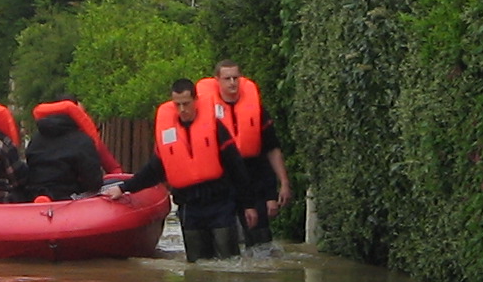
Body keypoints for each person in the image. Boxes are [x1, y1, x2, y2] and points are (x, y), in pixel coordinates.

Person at [110, 78, 260, 262]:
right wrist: (123, 187)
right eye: (177, 105)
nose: (182, 110)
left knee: (228, 262)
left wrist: (248, 205)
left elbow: (237, 167)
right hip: (190, 208)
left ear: (196, 100)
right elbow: (153, 170)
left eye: (186, 104)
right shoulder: (167, 133)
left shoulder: (216, 128)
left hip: (220, 204)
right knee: (197, 266)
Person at [197, 61, 292, 245]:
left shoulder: (257, 110)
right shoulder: (205, 113)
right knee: (225, 240)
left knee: (260, 239)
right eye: (227, 79)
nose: (232, 83)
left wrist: (283, 183)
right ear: (217, 80)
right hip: (223, 179)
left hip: (253, 176)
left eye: (236, 78)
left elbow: (272, 148)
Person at [23, 105, 105, 200]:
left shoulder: (35, 139)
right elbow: (93, 182)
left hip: (34, 196)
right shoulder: (82, 141)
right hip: (67, 199)